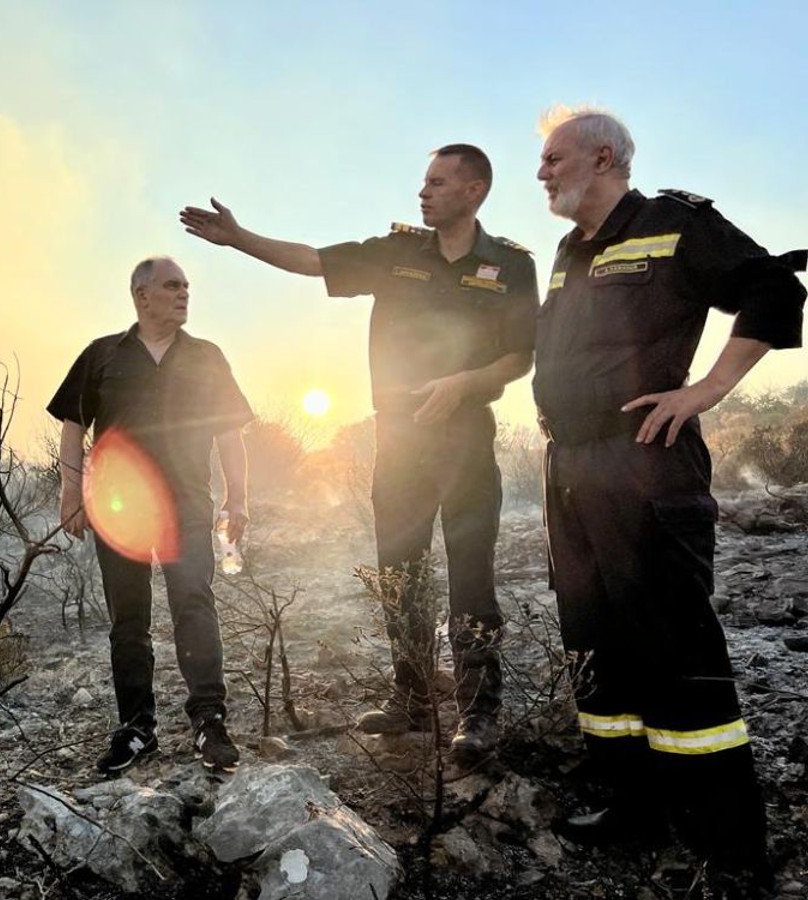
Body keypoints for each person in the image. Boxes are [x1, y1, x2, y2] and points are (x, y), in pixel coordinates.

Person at [181, 145, 539, 762]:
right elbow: (315, 261)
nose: (423, 192)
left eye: (437, 182)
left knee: (471, 573)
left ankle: (479, 708)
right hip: (400, 439)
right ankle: (415, 694)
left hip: (465, 439)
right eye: (422, 181)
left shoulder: (509, 265)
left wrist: (462, 384)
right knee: (400, 570)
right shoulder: (396, 252)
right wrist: (240, 239)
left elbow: (520, 356)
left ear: (475, 190)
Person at [533, 105, 806, 888]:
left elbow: (774, 289)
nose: (543, 172)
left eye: (556, 158)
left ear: (606, 157)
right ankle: (635, 805)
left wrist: (708, 390)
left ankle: (732, 845)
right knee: (597, 637)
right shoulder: (565, 249)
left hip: (645, 463)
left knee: (674, 643)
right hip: (570, 468)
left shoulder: (672, 223)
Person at [47, 255, 254, 774]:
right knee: (129, 621)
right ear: (141, 295)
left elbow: (230, 432)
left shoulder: (207, 356)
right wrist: (70, 492)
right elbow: (73, 424)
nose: (184, 293)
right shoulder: (102, 355)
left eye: (186, 285)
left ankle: (209, 721)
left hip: (187, 503)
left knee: (194, 604)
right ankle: (137, 729)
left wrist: (239, 498)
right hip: (120, 510)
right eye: (171, 286)